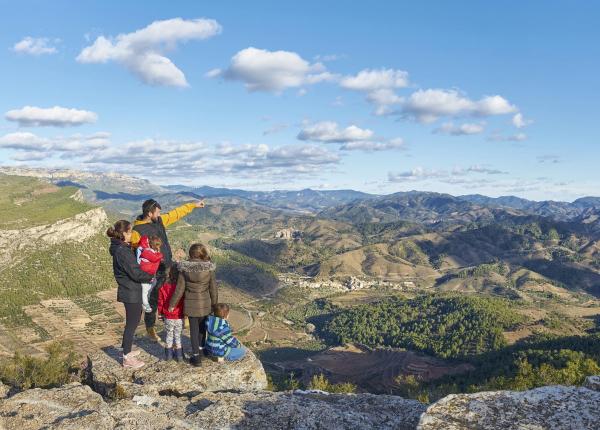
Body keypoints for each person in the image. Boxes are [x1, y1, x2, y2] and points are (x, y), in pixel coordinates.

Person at [132, 198, 205, 341]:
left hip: (167, 265)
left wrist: (192, 205)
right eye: (157, 212)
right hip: (152, 270)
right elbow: (135, 251)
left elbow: (175, 214)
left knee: (177, 291)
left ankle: (182, 315)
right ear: (149, 213)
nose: (159, 215)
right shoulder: (137, 231)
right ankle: (150, 328)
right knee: (152, 299)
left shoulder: (158, 221)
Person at [107, 220, 154, 369]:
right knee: (132, 323)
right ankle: (127, 358)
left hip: (130, 290)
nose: (132, 234)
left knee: (132, 322)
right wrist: (150, 276)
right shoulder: (123, 251)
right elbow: (135, 272)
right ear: (124, 233)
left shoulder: (121, 248)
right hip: (131, 291)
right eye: (130, 231)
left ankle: (126, 350)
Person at [169, 243, 217, 367]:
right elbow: (213, 289)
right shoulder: (209, 269)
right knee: (202, 329)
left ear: (190, 254)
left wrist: (172, 304)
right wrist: (215, 305)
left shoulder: (184, 269)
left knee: (194, 331)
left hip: (190, 305)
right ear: (202, 254)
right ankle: (202, 351)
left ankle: (196, 358)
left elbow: (179, 289)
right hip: (205, 304)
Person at [158, 265, 185, 361]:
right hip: (179, 316)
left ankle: (169, 356)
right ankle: (180, 356)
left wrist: (160, 313)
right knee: (178, 336)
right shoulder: (180, 288)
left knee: (169, 335)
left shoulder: (163, 287)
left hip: (168, 316)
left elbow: (160, 301)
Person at [136, 235, 163, 313]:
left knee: (150, 288)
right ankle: (145, 304)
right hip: (145, 275)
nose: (159, 247)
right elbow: (154, 258)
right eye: (158, 245)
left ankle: (146, 301)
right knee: (145, 290)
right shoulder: (147, 251)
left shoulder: (152, 251)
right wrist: (160, 255)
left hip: (150, 274)